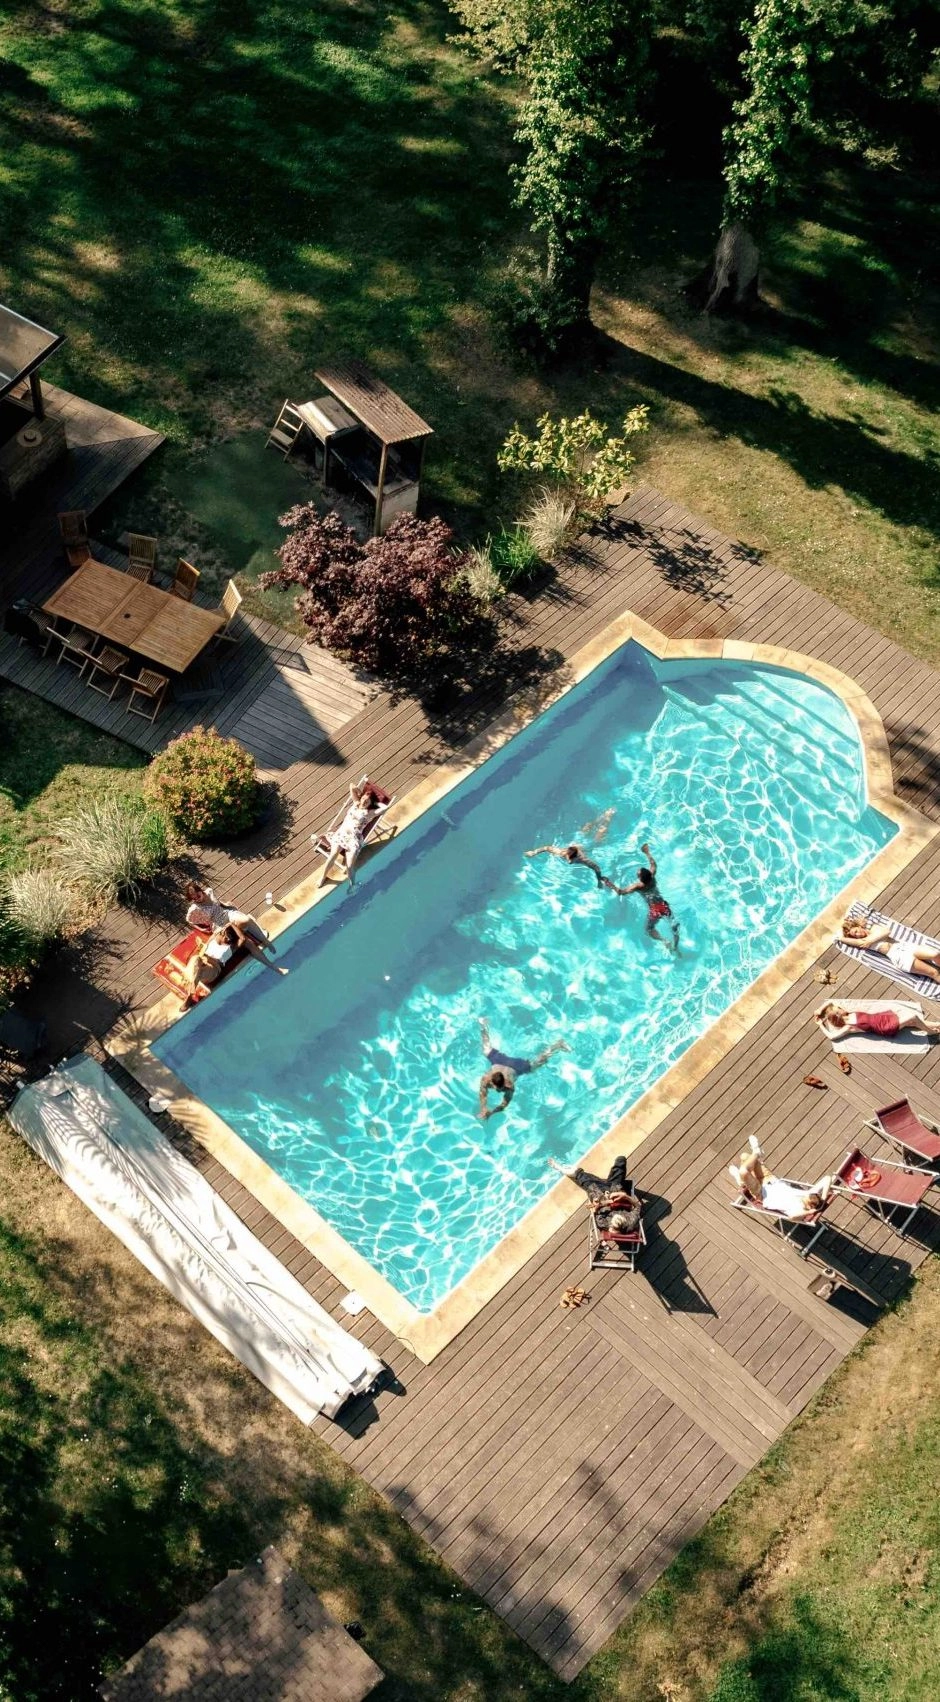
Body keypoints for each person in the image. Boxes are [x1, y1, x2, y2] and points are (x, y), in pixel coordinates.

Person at [478, 1017, 569, 1120]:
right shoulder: (486, 1079)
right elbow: (482, 1093)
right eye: (495, 1086)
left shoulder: (509, 1086)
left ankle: (558, 1045)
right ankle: (483, 1024)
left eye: (497, 1087)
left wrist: (492, 1112)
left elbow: (504, 1104)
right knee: (486, 1049)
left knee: (536, 1064)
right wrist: (483, 1109)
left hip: (516, 1066)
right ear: (491, 1080)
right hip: (499, 1061)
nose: (495, 1089)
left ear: (504, 1083)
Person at [730, 1136, 833, 1220]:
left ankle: (756, 1153)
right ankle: (743, 1180)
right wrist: (823, 1199)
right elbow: (827, 1178)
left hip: (761, 1192)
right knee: (744, 1156)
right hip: (770, 1179)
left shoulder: (797, 1209)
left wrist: (810, 1212)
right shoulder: (808, 1194)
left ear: (809, 1207)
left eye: (803, 1200)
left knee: (744, 1171)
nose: (802, 1197)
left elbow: (792, 1217)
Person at [317, 781, 393, 888]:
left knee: (350, 865)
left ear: (370, 804)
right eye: (364, 799)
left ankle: (352, 884)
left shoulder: (369, 813)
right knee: (333, 855)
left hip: (353, 839)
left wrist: (375, 803)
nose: (364, 802)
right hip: (341, 834)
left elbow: (385, 808)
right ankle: (323, 877)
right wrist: (360, 792)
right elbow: (351, 785)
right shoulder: (355, 802)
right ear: (361, 798)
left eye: (367, 801)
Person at [185, 882, 278, 961]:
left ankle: (265, 941)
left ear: (201, 891)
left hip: (227, 914)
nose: (197, 899)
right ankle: (242, 933)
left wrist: (226, 905)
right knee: (245, 942)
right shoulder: (195, 908)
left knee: (246, 920)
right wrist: (201, 929)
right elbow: (189, 920)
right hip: (219, 925)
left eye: (198, 896)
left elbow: (218, 903)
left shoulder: (209, 891)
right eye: (194, 899)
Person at [547, 1154, 641, 1232]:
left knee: (587, 1181)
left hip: (600, 1194)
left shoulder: (605, 1224)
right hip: (616, 1190)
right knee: (621, 1160)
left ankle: (571, 1171)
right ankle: (579, 1173)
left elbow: (595, 1212)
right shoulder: (631, 1221)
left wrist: (598, 1205)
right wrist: (624, 1196)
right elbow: (638, 1206)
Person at [613, 843, 679, 951]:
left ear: (640, 878)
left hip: (654, 910)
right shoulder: (652, 876)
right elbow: (653, 864)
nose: (637, 872)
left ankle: (664, 940)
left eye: (638, 873)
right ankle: (676, 946)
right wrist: (647, 852)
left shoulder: (638, 886)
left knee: (649, 930)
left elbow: (621, 892)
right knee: (673, 925)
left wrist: (611, 885)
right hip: (663, 904)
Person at [841, 916, 940, 985]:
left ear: (858, 926)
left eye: (856, 931)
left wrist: (870, 940)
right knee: (934, 972)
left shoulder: (874, 929)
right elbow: (842, 938)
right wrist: (840, 936)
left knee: (935, 954)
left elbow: (887, 931)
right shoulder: (862, 942)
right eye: (855, 935)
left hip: (905, 947)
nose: (858, 934)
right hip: (899, 957)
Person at [814, 1000, 940, 1040]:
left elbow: (830, 1002)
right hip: (885, 1027)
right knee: (912, 1017)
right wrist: (821, 1024)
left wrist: (820, 1010)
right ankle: (930, 1031)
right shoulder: (849, 1026)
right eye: (838, 1009)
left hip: (882, 1018)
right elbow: (832, 1036)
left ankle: (936, 1025)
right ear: (838, 1015)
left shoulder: (848, 1013)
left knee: (912, 1021)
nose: (839, 1007)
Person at [524, 842, 616, 891]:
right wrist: (534, 852)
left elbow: (597, 868)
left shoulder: (583, 859)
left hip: (585, 846)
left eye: (570, 858)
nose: (568, 860)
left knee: (598, 840)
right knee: (587, 828)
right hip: (577, 844)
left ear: (576, 857)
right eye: (567, 856)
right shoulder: (561, 853)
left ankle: (608, 815)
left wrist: (599, 879)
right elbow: (547, 848)